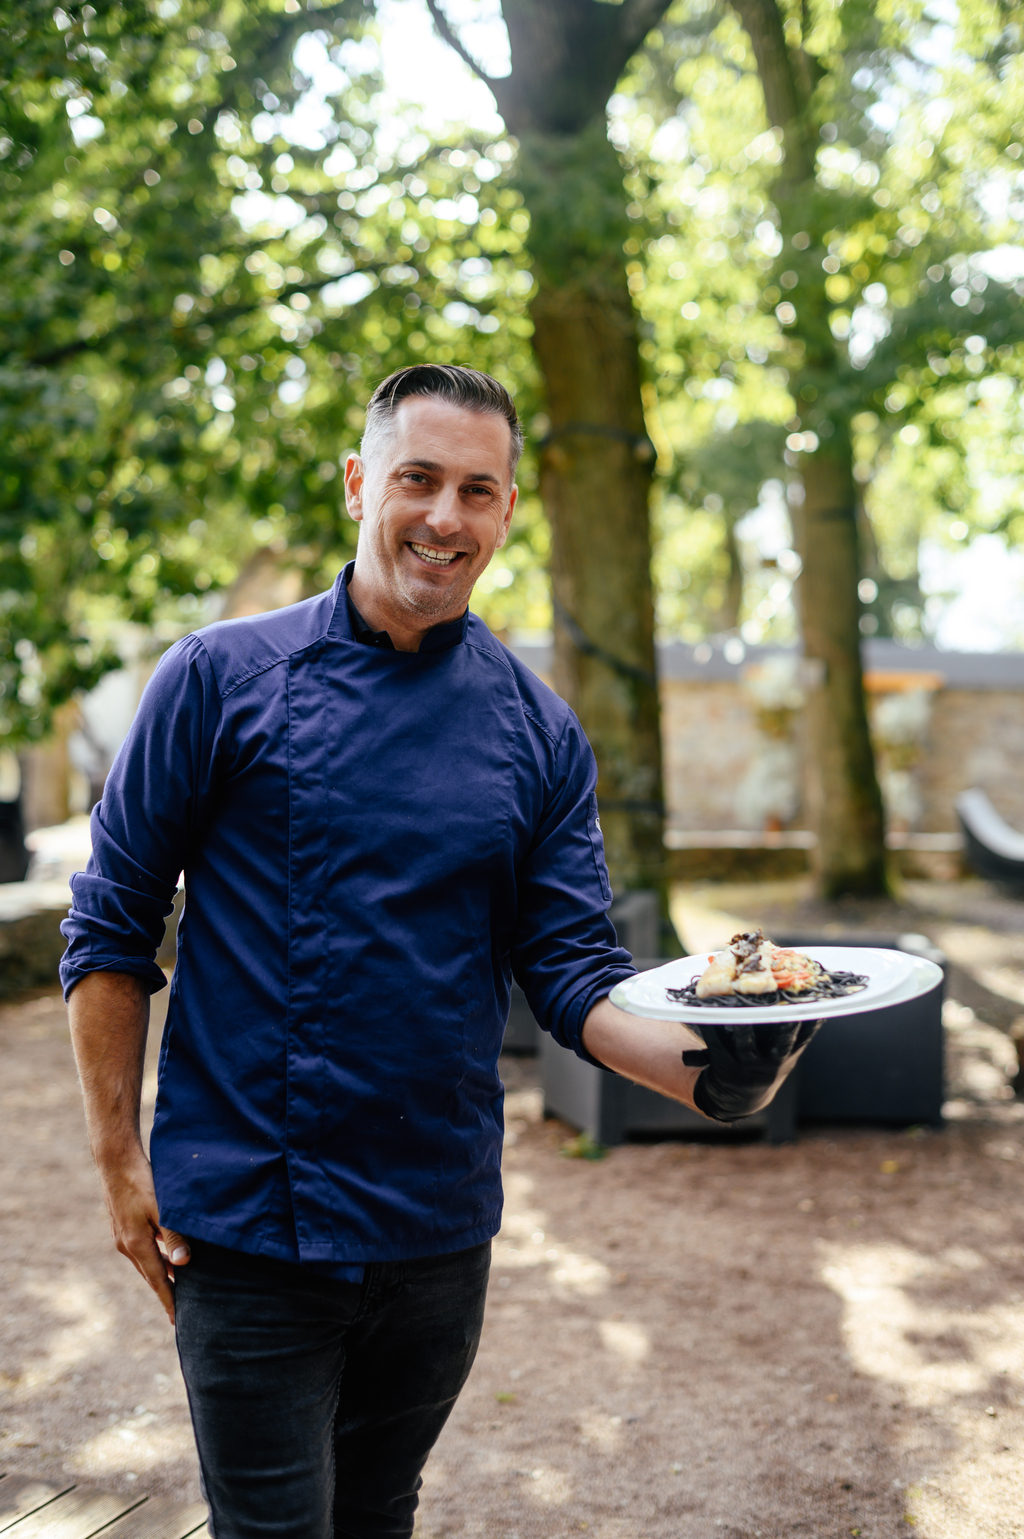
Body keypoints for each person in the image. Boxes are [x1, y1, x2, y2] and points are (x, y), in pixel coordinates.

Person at [62, 364, 807, 1539]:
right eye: (417, 479)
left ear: (507, 511)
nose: (444, 517)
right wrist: (116, 1161)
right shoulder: (216, 680)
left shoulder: (539, 730)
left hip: (437, 1233)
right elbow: (111, 925)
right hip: (249, 1226)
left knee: (380, 1519)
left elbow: (570, 969)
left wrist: (710, 1074)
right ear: (359, 484)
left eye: (477, 490)